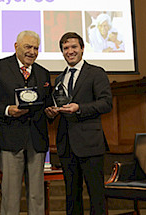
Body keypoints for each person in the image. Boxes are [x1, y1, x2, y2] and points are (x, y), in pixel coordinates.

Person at [45, 32, 112, 215]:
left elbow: (106, 103)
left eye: (74, 47)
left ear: (82, 48)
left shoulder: (96, 73)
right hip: (66, 145)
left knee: (96, 195)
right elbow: (59, 105)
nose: (70, 51)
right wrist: (51, 113)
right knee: (72, 196)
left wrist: (79, 108)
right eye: (65, 48)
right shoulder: (60, 79)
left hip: (90, 143)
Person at [0, 30, 51, 215]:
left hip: (36, 139)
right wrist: (8, 110)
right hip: (10, 138)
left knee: (37, 195)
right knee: (10, 193)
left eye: (36, 48)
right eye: (28, 47)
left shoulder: (43, 73)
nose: (32, 51)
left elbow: (47, 104)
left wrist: (52, 111)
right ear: (16, 47)